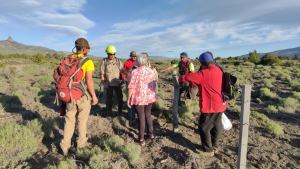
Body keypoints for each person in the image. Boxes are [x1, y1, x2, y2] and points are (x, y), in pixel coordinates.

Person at [60, 38, 98, 156]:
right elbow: (89, 81)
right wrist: (94, 96)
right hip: (81, 95)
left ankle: (65, 146)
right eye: (88, 48)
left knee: (69, 120)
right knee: (82, 120)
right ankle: (81, 146)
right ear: (84, 49)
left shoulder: (68, 58)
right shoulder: (87, 61)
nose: (89, 50)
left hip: (69, 94)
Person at [184, 51, 227, 156]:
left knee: (204, 127)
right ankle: (215, 145)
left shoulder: (203, 73)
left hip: (211, 106)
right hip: (221, 104)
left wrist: (180, 77)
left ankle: (208, 150)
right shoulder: (219, 70)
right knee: (216, 126)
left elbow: (188, 77)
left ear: (202, 63)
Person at [127, 53, 157, 146]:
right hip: (149, 97)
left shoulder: (135, 72)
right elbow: (154, 84)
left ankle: (141, 139)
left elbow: (131, 87)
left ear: (138, 61)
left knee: (141, 117)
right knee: (148, 115)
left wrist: (128, 99)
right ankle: (151, 134)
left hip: (139, 98)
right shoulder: (151, 71)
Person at [161, 52, 196, 132]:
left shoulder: (190, 64)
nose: (181, 58)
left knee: (187, 94)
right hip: (181, 81)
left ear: (186, 57)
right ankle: (180, 104)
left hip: (187, 81)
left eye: (183, 57)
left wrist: (192, 83)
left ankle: (188, 105)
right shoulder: (179, 63)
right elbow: (171, 67)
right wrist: (162, 70)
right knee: (179, 93)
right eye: (181, 57)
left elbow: (193, 73)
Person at [100, 45, 124, 115]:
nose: (112, 55)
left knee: (120, 98)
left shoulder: (118, 61)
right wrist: (103, 82)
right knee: (109, 99)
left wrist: (128, 75)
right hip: (108, 84)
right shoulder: (104, 61)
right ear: (107, 54)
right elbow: (102, 73)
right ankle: (108, 112)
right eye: (110, 54)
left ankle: (120, 112)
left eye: (113, 54)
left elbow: (123, 70)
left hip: (117, 83)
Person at [122, 51, 138, 124]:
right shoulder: (127, 62)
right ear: (130, 56)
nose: (134, 57)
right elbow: (123, 71)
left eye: (135, 56)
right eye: (133, 56)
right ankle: (130, 116)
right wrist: (124, 78)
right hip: (129, 82)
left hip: (137, 84)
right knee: (129, 99)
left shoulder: (138, 62)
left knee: (136, 100)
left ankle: (136, 115)